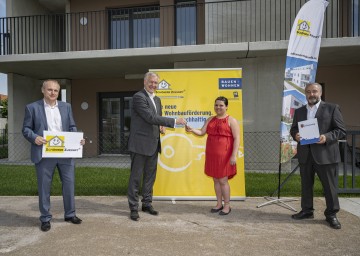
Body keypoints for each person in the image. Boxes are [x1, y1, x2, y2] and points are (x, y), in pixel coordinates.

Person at [22, 79, 85, 232]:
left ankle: (70, 214)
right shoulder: (32, 108)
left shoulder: (66, 107)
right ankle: (45, 218)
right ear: (43, 90)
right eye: (49, 90)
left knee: (69, 184)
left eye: (55, 90)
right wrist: (34, 137)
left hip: (65, 153)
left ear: (58, 92)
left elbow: (71, 126)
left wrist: (77, 138)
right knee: (44, 187)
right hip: (44, 153)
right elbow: (26, 129)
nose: (52, 93)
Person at [127, 72, 187, 221]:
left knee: (150, 177)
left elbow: (156, 118)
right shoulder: (139, 97)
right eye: (151, 82)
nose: (153, 85)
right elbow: (149, 117)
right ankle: (133, 208)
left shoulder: (158, 99)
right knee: (136, 178)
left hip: (153, 144)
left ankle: (147, 204)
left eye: (156, 83)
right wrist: (173, 121)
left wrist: (161, 126)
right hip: (139, 145)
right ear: (144, 82)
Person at [290, 82, 346, 229]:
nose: (311, 94)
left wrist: (326, 137)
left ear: (320, 93)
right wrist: (295, 135)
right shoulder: (300, 111)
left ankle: (331, 214)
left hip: (326, 155)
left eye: (314, 91)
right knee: (306, 186)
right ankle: (307, 210)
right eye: (308, 92)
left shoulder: (332, 108)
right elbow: (294, 128)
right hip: (306, 155)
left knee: (330, 187)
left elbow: (341, 130)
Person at [186, 96, 240, 215]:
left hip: (225, 155)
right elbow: (201, 132)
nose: (218, 107)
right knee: (216, 179)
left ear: (226, 106)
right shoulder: (210, 119)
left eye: (221, 105)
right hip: (212, 154)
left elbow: (237, 139)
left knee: (223, 180)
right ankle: (219, 203)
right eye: (216, 105)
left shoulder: (232, 120)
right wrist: (191, 129)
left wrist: (233, 155)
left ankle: (227, 205)